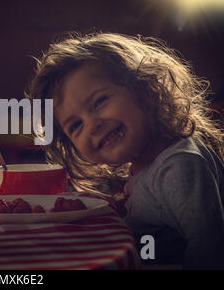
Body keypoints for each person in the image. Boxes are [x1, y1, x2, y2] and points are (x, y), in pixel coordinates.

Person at [25, 32, 224, 269]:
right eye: (76, 125)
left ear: (146, 89)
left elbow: (211, 250)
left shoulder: (179, 166)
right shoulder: (148, 161)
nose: (92, 124)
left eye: (100, 101)